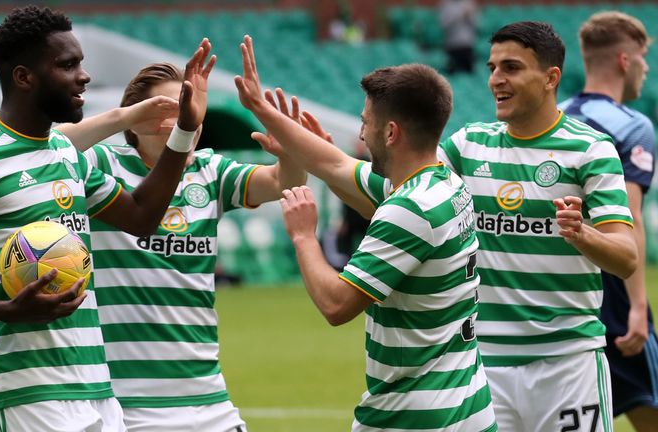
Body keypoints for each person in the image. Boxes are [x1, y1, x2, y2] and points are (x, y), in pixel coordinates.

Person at [238, 21, 639, 430]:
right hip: (487, 365)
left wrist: (582, 233)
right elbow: (384, 191)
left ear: (551, 77)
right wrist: (283, 128)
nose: (496, 79)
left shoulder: (590, 150)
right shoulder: (469, 145)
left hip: (565, 363)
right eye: (492, 67)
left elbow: (626, 259)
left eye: (512, 68)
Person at [0, 5, 214, 432]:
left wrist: (184, 133)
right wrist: (5, 309)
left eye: (81, 63)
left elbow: (140, 217)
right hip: (27, 388)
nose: (84, 76)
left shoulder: (64, 153)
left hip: (96, 384)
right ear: (24, 77)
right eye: (68, 65)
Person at [235, 35, 497, 431]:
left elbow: (337, 305)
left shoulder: (409, 209)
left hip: (413, 416)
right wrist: (262, 110)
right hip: (467, 405)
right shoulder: (442, 183)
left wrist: (304, 236)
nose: (360, 135)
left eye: (365, 123)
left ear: (391, 133)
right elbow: (337, 165)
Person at [56, 62, 306, 432]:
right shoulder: (102, 165)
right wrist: (123, 118)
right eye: (172, 106)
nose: (189, 113)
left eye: (193, 103)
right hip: (127, 405)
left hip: (210, 400)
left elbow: (283, 182)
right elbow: (47, 145)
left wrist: (290, 153)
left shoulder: (210, 171)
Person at [559, 11, 657, 431]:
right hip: (612, 290)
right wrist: (638, 306)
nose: (647, 68)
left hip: (558, 289)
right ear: (624, 60)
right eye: (644, 58)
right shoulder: (632, 126)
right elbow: (629, 214)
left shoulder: (553, 118)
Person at [439, 0, 479, 74]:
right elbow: (444, 25)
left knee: (469, 73)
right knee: (453, 73)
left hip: (467, 45)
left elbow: (477, 25)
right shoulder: (446, 4)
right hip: (453, 45)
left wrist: (469, 16)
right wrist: (460, 16)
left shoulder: (469, 3)